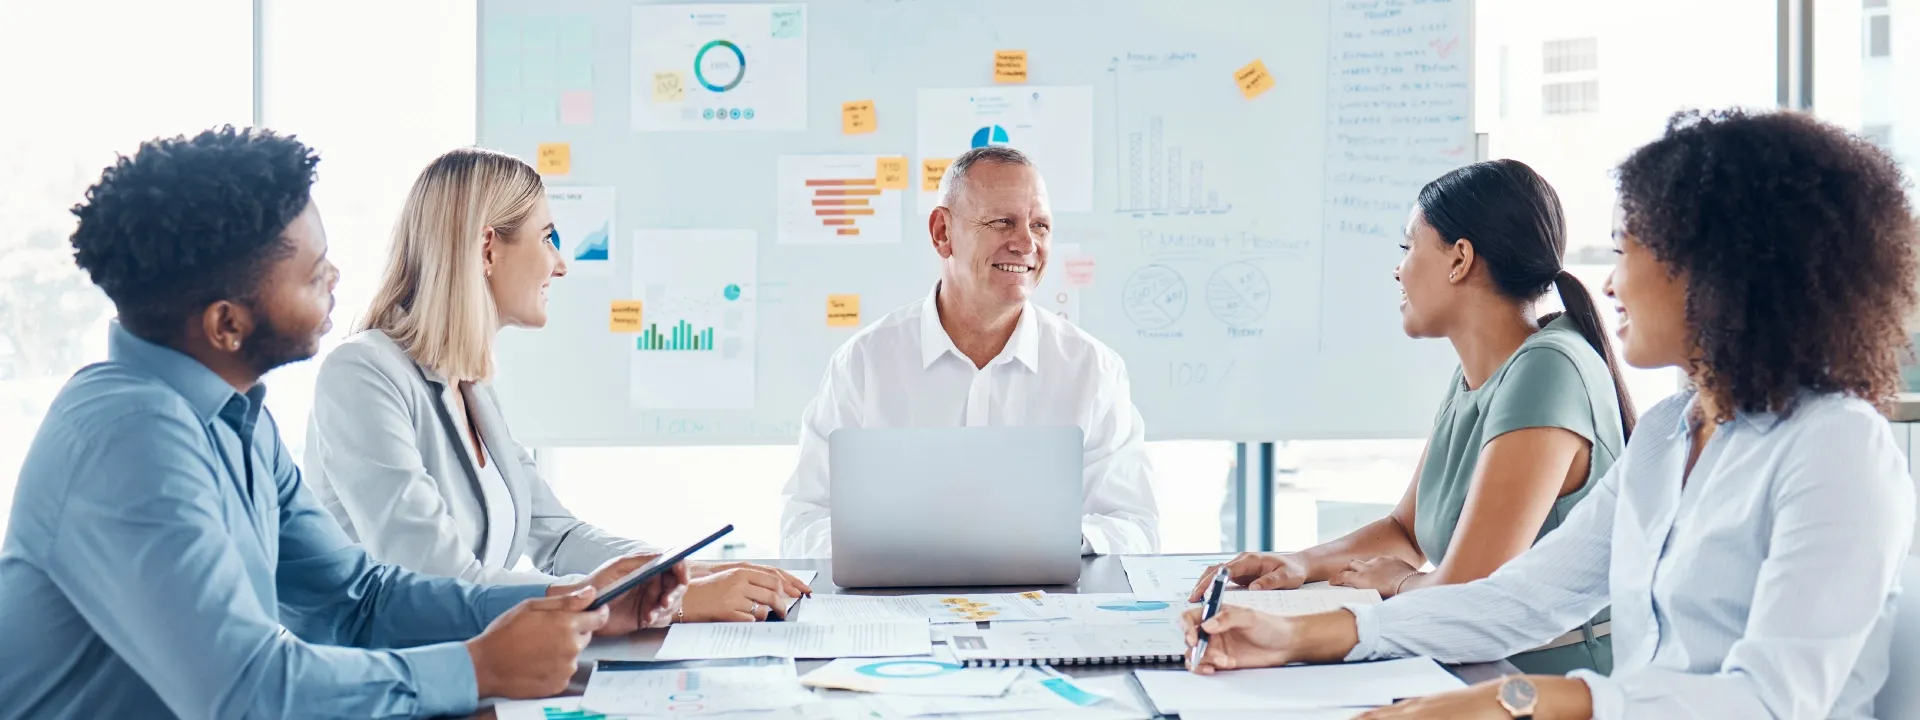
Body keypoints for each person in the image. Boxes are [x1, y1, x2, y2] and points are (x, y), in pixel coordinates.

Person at [1183, 109, 1916, 720]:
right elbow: (1520, 599)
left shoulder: (1835, 447)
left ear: (1719, 268)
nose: (1610, 283)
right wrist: (1293, 636)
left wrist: (1518, 700)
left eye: (1626, 251)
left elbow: (1771, 700)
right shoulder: (1670, 435)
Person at [0, 128, 688, 719]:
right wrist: (476, 667)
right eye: (312, 273)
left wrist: (582, 601)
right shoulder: (130, 440)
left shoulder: (236, 420)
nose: (336, 278)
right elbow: (245, 692)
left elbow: (358, 598)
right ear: (226, 324)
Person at [304, 147, 807, 623]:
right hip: (387, 673)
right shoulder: (364, 374)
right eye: (547, 238)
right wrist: (668, 602)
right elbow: (439, 579)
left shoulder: (468, 387)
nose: (561, 264)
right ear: (487, 249)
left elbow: (558, 537)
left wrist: (683, 573)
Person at [1191, 159, 1632, 674]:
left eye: (1408, 247)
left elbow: (1470, 592)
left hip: (1546, 679)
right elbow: (1406, 531)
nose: (1398, 269)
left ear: (1460, 259)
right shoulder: (1484, 372)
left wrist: (1401, 582)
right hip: (1479, 666)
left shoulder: (1547, 370)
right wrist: (1300, 563)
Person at [780, 145, 1160, 558]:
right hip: (900, 596)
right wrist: (892, 547)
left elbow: (1135, 527)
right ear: (942, 233)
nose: (1026, 244)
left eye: (1040, 226)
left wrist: (1054, 540)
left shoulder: (1093, 371)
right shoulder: (864, 365)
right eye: (1002, 222)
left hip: (1046, 596)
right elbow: (803, 525)